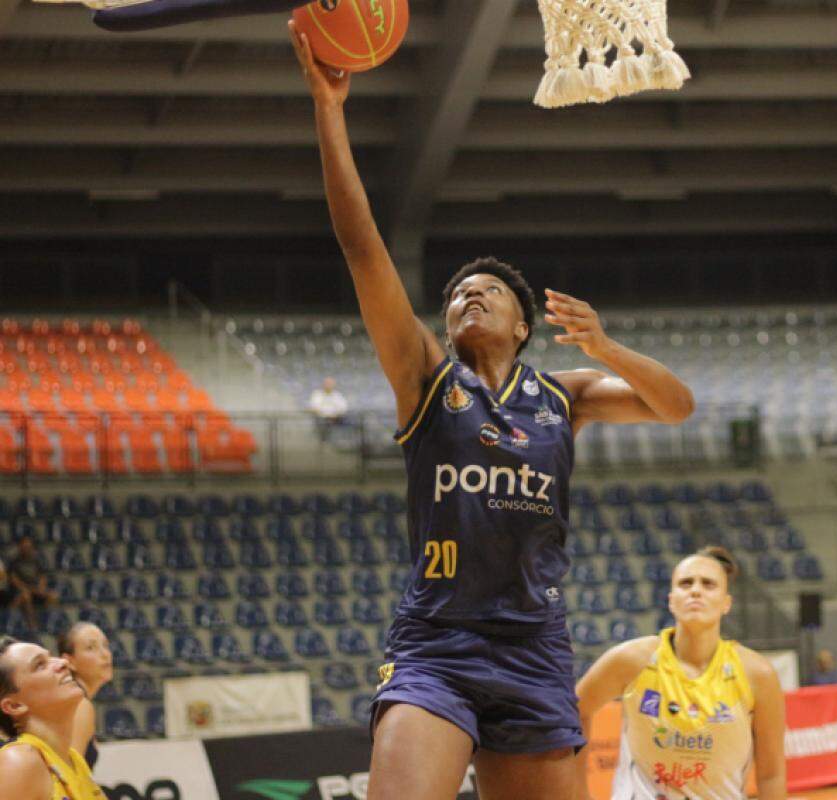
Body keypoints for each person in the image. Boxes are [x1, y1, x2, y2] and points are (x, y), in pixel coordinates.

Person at [288, 23, 696, 800]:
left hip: (535, 647)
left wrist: (606, 347)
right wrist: (329, 109)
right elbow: (362, 245)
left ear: (520, 326)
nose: (468, 294)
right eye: (455, 295)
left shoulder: (562, 395)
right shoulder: (425, 378)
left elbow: (675, 406)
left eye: (491, 292)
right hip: (437, 646)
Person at [573, 547, 787, 800]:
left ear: (726, 603)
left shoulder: (757, 674)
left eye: (708, 584)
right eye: (686, 583)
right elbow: (574, 709)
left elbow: (771, 774)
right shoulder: (632, 660)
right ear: (671, 600)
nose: (696, 590)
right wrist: (577, 793)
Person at [0, 636, 106, 800]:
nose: (62, 663)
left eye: (50, 657)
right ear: (15, 706)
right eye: (40, 665)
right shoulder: (20, 761)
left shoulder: (75, 761)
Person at [58, 623, 114, 770]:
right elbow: (68, 775)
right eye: (91, 648)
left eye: (105, 646)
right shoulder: (79, 704)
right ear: (70, 661)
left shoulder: (73, 698)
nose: (105, 654)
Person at [8, 537, 59, 633]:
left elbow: (42, 577)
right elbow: (14, 580)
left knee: (53, 596)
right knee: (26, 596)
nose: (26, 548)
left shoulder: (36, 561)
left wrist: (41, 588)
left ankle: (49, 622)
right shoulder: (14, 562)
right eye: (24, 546)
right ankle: (32, 625)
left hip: (35, 590)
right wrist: (29, 589)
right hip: (19, 591)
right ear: (20, 547)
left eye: (28, 546)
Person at [308, 376, 351, 444]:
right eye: (327, 383)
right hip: (323, 419)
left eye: (331, 384)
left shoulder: (337, 395)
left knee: (352, 421)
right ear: (323, 384)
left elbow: (343, 407)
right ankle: (325, 441)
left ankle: (347, 442)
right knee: (324, 423)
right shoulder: (317, 394)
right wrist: (329, 415)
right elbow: (314, 408)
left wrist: (336, 414)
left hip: (337, 418)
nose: (329, 385)